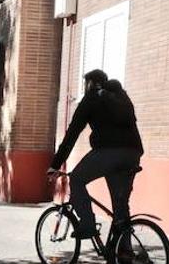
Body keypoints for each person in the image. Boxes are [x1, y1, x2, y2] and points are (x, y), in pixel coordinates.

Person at [48, 68, 144, 241]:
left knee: (76, 179)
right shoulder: (121, 95)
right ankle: (123, 255)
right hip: (133, 153)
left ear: (90, 83)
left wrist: (55, 164)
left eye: (85, 84)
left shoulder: (91, 98)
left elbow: (72, 134)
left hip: (108, 153)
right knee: (120, 204)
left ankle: (87, 224)